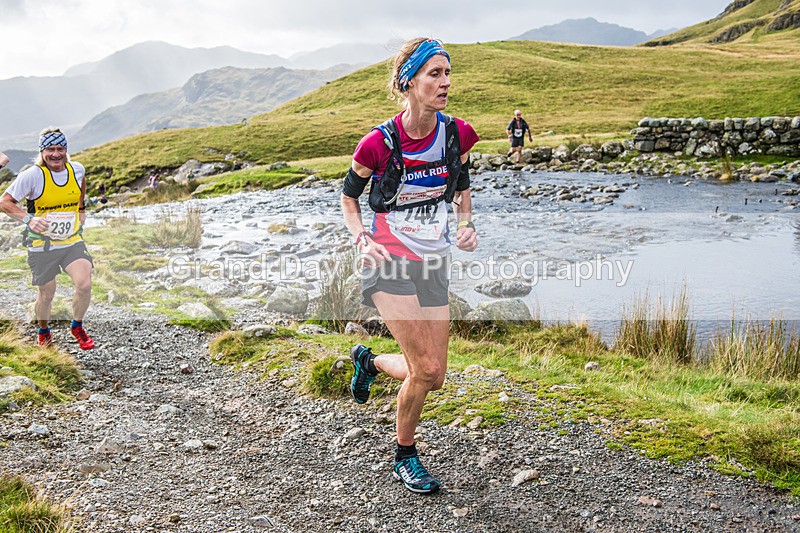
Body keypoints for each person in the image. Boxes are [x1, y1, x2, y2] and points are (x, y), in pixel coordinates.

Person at [341, 38, 479, 495]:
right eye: (434, 74)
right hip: (388, 261)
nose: (445, 82)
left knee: (435, 374)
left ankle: (369, 360)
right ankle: (405, 455)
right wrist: (361, 237)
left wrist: (466, 224)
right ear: (409, 82)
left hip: (433, 260)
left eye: (447, 73)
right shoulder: (377, 144)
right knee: (422, 367)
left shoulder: (457, 134)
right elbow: (349, 198)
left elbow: (461, 187)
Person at [0, 128, 95, 350]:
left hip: (71, 241)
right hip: (41, 245)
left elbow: (80, 189)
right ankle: (43, 330)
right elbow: (4, 202)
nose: (55, 154)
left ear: (66, 150)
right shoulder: (32, 175)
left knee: (84, 284)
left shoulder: (77, 170)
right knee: (47, 294)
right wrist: (29, 220)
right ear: (42, 151)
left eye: (60, 149)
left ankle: (77, 325)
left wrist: (81, 212)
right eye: (50, 149)